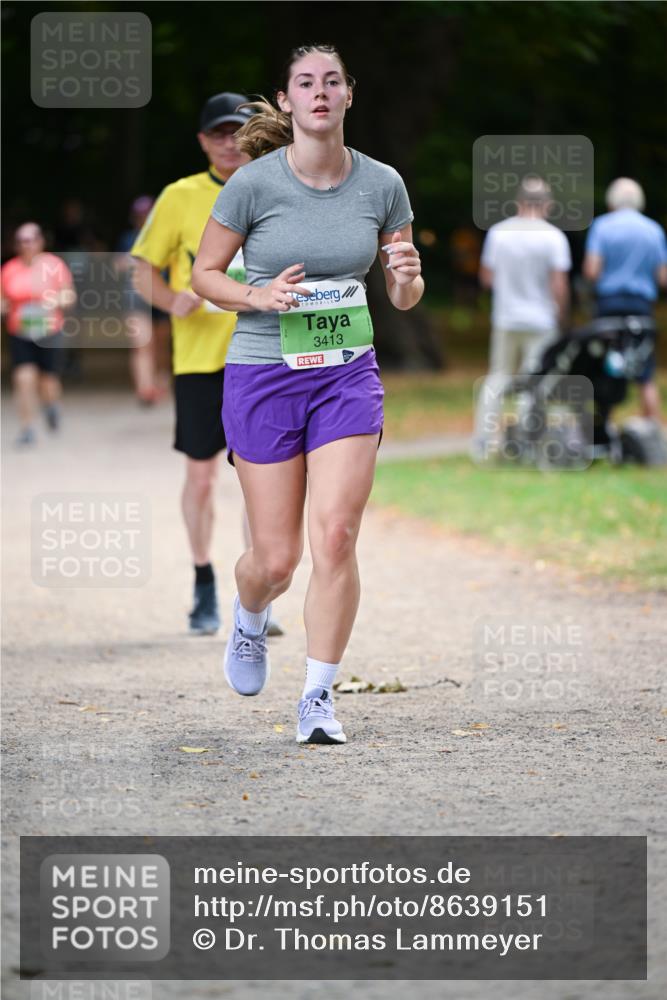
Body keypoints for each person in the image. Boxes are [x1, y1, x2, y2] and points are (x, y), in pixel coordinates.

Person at [192, 44, 423, 745]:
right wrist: (256, 295)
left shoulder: (382, 184)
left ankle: (318, 700)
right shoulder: (253, 185)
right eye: (304, 83)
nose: (319, 92)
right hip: (263, 373)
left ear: (348, 95)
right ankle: (250, 614)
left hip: (346, 375)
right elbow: (205, 274)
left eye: (332, 81)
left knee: (336, 535)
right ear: (287, 101)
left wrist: (408, 277)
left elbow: (403, 295)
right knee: (275, 561)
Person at [131, 92, 284, 637]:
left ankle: (259, 588)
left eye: (237, 131)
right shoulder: (180, 196)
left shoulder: (278, 188)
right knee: (200, 480)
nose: (228, 141)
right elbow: (142, 269)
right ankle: (202, 581)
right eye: (218, 132)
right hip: (201, 361)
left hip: (267, 356)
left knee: (261, 481)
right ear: (202, 141)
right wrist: (172, 302)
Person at [473, 176, 571, 457]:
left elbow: (487, 278)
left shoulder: (498, 233)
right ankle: (527, 442)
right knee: (535, 379)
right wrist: (562, 316)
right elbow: (559, 285)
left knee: (498, 377)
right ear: (548, 205)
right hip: (541, 320)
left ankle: (484, 440)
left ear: (518, 202)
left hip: (506, 318)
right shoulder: (554, 237)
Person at [583, 177, 667, 421]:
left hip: (608, 306)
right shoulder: (653, 229)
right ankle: (652, 427)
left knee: (603, 366)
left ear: (611, 201)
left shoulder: (602, 226)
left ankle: (604, 424)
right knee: (645, 371)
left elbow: (592, 271)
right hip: (641, 308)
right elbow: (663, 276)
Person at [1, 222, 75, 446]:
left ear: (41, 241)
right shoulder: (9, 269)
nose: (27, 244)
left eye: (32, 239)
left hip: (49, 330)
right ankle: (28, 428)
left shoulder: (54, 265)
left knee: (48, 381)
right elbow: (3, 299)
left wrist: (56, 300)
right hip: (21, 331)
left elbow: (69, 296)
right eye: (22, 240)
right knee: (24, 378)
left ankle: (52, 406)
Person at [116, 196, 170, 406]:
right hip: (136, 296)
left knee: (161, 345)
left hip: (163, 295)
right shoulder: (128, 239)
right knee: (142, 344)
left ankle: (161, 382)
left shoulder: (166, 236)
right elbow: (117, 265)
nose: (143, 218)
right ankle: (145, 389)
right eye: (140, 214)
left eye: (147, 213)